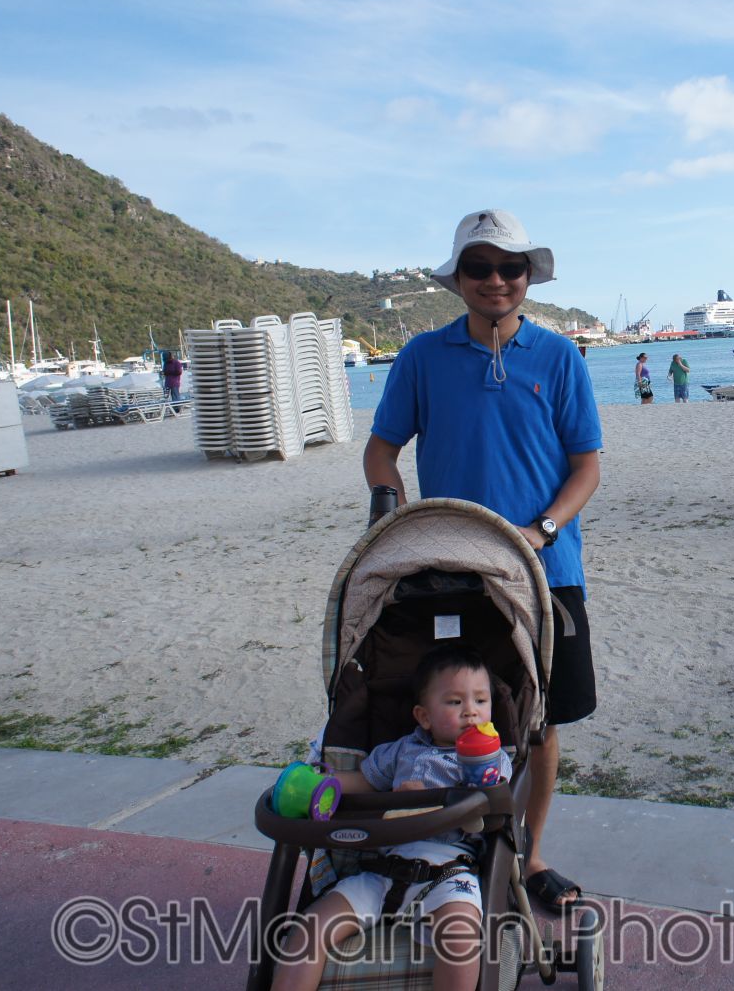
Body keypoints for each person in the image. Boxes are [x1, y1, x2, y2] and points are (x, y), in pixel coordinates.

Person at [362, 209, 601, 917]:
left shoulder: (559, 357)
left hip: (545, 572)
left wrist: (544, 528)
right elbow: (382, 448)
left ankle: (531, 851)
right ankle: (455, 843)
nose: (496, 280)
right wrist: (392, 507)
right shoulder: (421, 356)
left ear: (528, 275)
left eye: (511, 267)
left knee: (542, 718)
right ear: (458, 279)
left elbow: (587, 465)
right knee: (462, 712)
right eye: (480, 267)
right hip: (451, 569)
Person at [271, 646, 513, 991]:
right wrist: (318, 786)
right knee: (309, 930)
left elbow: (493, 795)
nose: (471, 712)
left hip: (449, 871)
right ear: (424, 716)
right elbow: (364, 782)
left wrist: (459, 789)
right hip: (379, 868)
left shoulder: (490, 759)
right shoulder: (400, 751)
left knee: (461, 938)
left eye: (481, 700)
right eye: (455, 702)